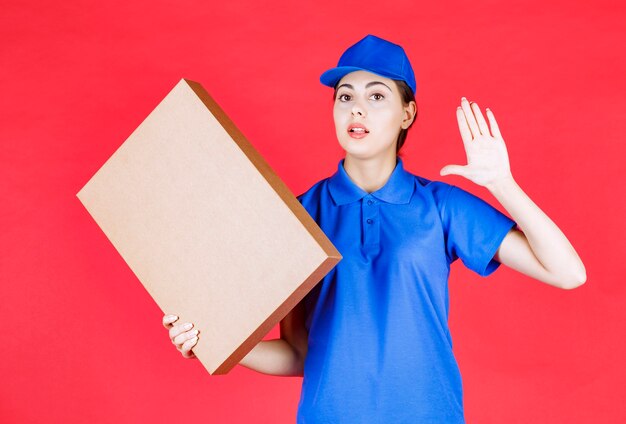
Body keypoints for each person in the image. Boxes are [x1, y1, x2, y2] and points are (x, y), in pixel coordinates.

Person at [162, 34, 586, 423]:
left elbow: (567, 273)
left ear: (408, 113)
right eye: (344, 96)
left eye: (376, 95)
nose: (356, 109)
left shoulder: (441, 207)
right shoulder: (298, 215)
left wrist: (502, 184)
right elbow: (297, 354)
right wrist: (216, 344)